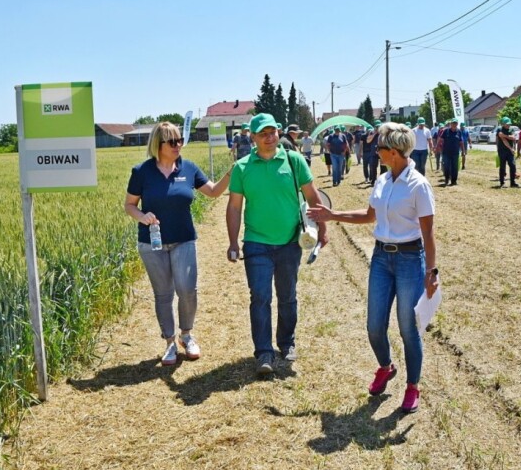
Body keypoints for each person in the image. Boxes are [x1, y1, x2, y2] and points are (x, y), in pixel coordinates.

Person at [307, 122, 437, 414]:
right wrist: (332, 214)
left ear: (393, 152)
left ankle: (412, 386)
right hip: (381, 259)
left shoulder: (419, 185)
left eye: (378, 148)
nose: (373, 151)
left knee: (407, 328)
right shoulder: (382, 180)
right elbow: (369, 216)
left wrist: (432, 271)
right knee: (374, 326)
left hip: (409, 260)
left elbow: (428, 233)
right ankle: (385, 366)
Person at [226, 113, 329, 374]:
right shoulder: (242, 168)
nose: (269, 137)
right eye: (263, 133)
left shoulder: (293, 161)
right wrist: (233, 242)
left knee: (287, 296)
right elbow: (235, 207)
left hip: (288, 242)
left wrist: (323, 228)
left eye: (272, 132)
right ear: (253, 137)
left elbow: (312, 196)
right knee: (259, 297)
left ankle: (286, 342)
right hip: (256, 242)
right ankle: (263, 353)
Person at [124, 122, 232, 365]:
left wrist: (232, 172)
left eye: (180, 141)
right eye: (172, 142)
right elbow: (129, 205)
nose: (178, 146)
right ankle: (170, 343)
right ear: (158, 145)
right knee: (163, 294)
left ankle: (187, 335)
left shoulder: (188, 168)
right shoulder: (141, 171)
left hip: (183, 239)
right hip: (152, 244)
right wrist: (142, 217)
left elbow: (213, 192)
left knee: (187, 290)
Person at [440, 118, 465, 186]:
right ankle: (447, 179)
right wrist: (439, 148)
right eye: (453, 123)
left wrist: (463, 151)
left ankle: (454, 181)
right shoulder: (446, 131)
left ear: (457, 124)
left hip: (455, 153)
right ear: (451, 124)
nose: (454, 124)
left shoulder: (459, 132)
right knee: (447, 166)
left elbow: (461, 142)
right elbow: (441, 140)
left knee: (455, 167)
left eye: (455, 123)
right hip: (446, 153)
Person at [495, 117, 518, 188]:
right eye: (507, 124)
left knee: (512, 165)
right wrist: (509, 137)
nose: (508, 125)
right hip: (502, 151)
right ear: (503, 124)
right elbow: (503, 140)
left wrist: (505, 136)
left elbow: (514, 137)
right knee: (502, 166)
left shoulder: (511, 129)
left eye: (509, 124)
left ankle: (513, 182)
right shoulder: (499, 129)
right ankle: (502, 182)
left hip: (510, 151)